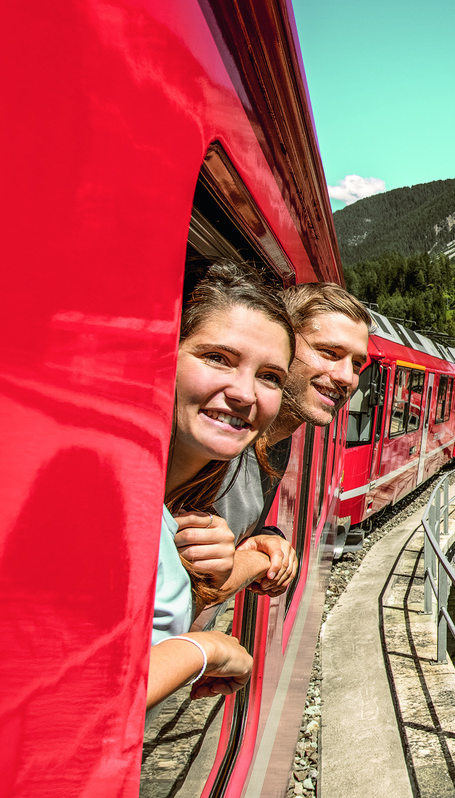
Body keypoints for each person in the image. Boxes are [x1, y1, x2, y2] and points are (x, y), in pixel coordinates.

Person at [148, 262, 295, 709]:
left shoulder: (182, 509)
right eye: (217, 358)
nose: (245, 393)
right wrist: (205, 650)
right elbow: (78, 696)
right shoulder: (101, 495)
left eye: (269, 377)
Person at [211, 282, 372, 597]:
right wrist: (257, 562)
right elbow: (188, 581)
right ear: (281, 344)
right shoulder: (220, 442)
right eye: (329, 353)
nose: (346, 377)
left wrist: (264, 538)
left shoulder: (279, 440)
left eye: (356, 364)